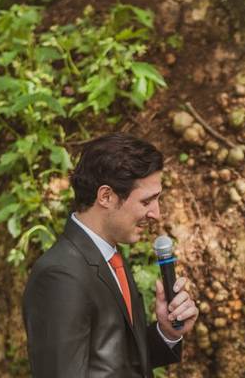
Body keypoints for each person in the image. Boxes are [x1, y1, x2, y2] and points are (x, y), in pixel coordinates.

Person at [23, 133, 199, 378]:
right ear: (106, 196)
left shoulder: (109, 257)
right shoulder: (59, 276)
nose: (156, 214)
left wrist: (166, 333)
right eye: (147, 201)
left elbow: (121, 364)